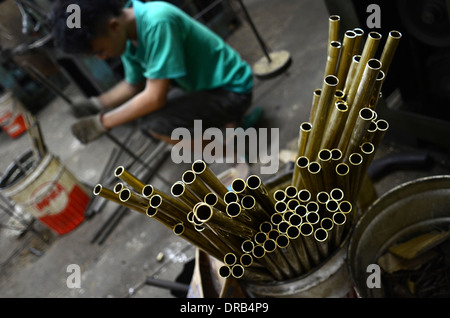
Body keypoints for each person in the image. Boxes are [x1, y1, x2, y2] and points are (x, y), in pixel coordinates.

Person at [50, 0, 256, 147]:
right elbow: (134, 84)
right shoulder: (127, 32)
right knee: (141, 118)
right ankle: (228, 125)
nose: (102, 58)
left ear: (113, 26)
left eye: (100, 51)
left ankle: (228, 144)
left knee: (154, 123)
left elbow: (155, 97)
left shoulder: (157, 22)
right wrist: (98, 104)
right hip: (205, 87)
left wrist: (102, 123)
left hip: (232, 90)